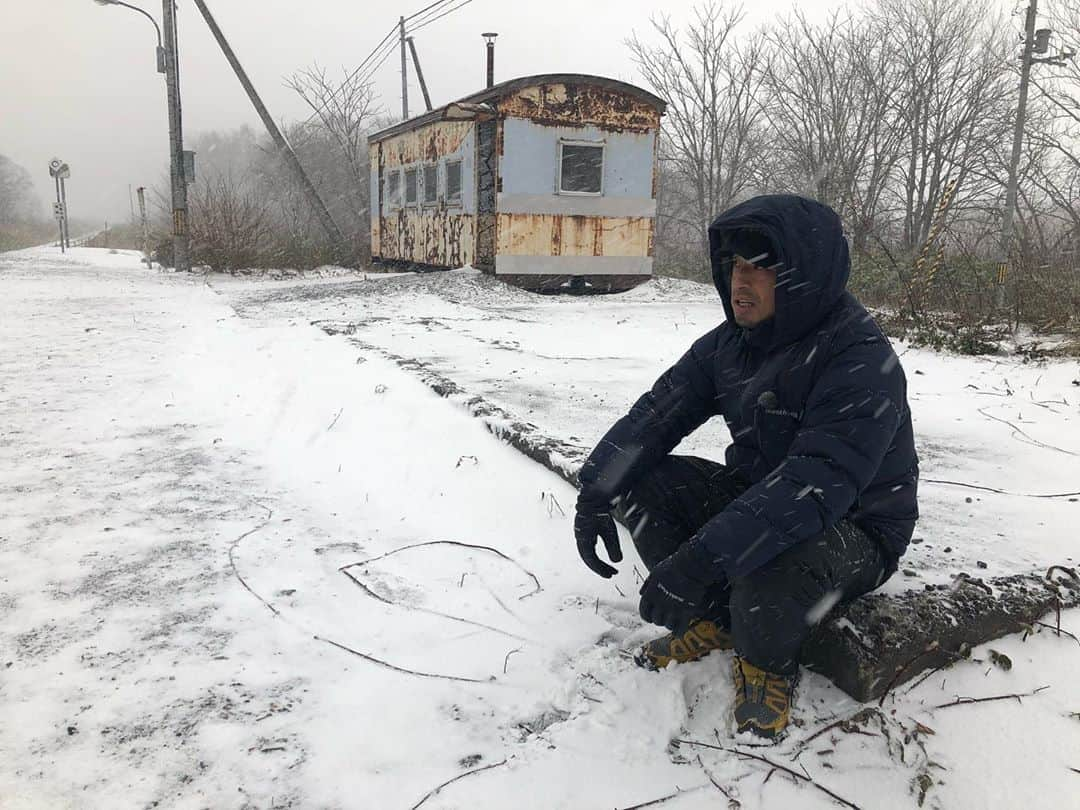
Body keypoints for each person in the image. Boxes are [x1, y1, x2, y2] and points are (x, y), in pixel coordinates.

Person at [573, 194, 918, 740]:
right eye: (735, 265)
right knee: (646, 486)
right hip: (764, 492)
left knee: (769, 555)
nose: (741, 281)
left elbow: (814, 485)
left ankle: (765, 663)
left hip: (857, 527)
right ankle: (716, 622)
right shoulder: (731, 345)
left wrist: (697, 563)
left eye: (761, 267)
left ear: (803, 274)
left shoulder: (858, 359)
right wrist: (595, 491)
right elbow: (658, 413)